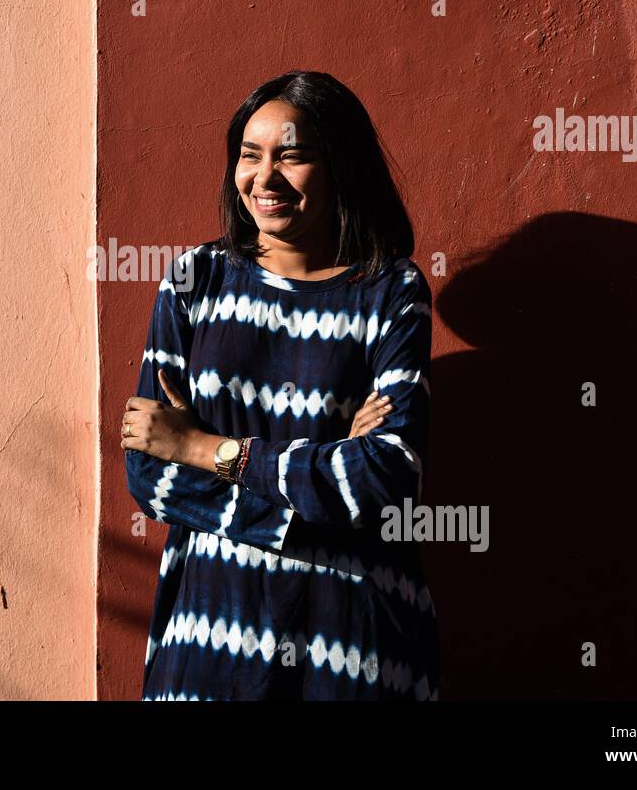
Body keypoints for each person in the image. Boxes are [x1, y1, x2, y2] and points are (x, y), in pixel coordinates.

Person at [120, 70, 441, 700]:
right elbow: (148, 474)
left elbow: (384, 479)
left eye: (291, 156)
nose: (264, 178)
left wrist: (207, 450)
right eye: (249, 154)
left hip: (349, 642)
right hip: (208, 634)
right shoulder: (194, 282)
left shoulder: (392, 294)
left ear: (340, 166)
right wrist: (323, 483)